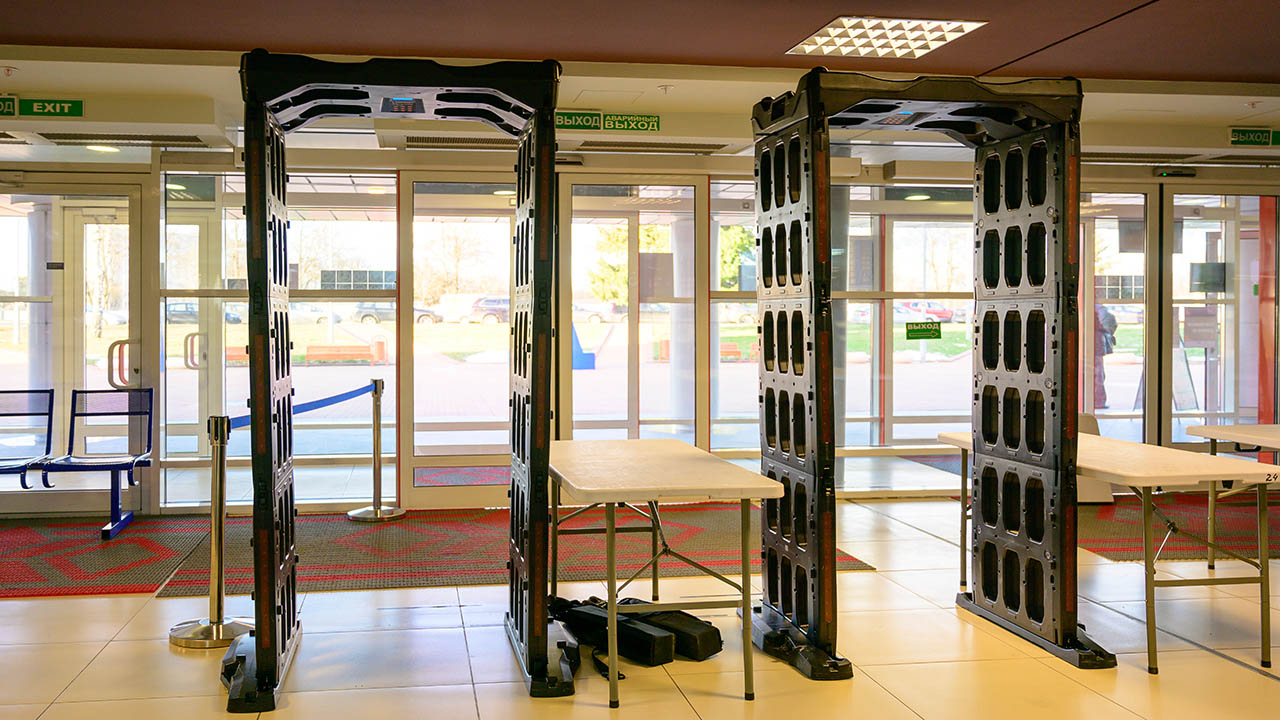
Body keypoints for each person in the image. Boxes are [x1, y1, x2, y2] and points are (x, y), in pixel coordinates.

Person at [1094, 304, 1117, 409]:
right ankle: (1098, 401)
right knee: (1098, 375)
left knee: (1097, 375)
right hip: (1096, 346)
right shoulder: (1099, 308)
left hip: (1094, 346)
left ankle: (1097, 401)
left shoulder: (1094, 307)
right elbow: (1110, 322)